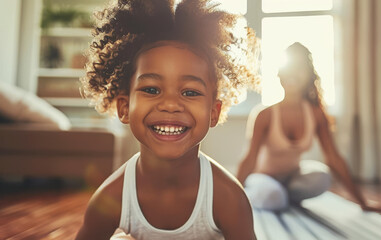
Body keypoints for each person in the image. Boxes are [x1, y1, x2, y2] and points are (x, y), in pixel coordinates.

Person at [75, 0, 260, 239]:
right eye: (151, 89)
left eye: (190, 92)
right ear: (125, 107)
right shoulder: (112, 197)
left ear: (213, 112)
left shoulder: (228, 198)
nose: (171, 104)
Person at [237, 42, 381, 213]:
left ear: (308, 76)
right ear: (280, 74)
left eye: (299, 68)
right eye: (289, 68)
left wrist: (362, 203)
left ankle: (283, 197)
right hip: (263, 178)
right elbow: (250, 159)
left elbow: (334, 158)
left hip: (293, 179)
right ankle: (266, 195)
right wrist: (232, 197)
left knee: (322, 178)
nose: (293, 74)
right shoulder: (264, 114)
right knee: (274, 197)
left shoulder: (316, 114)